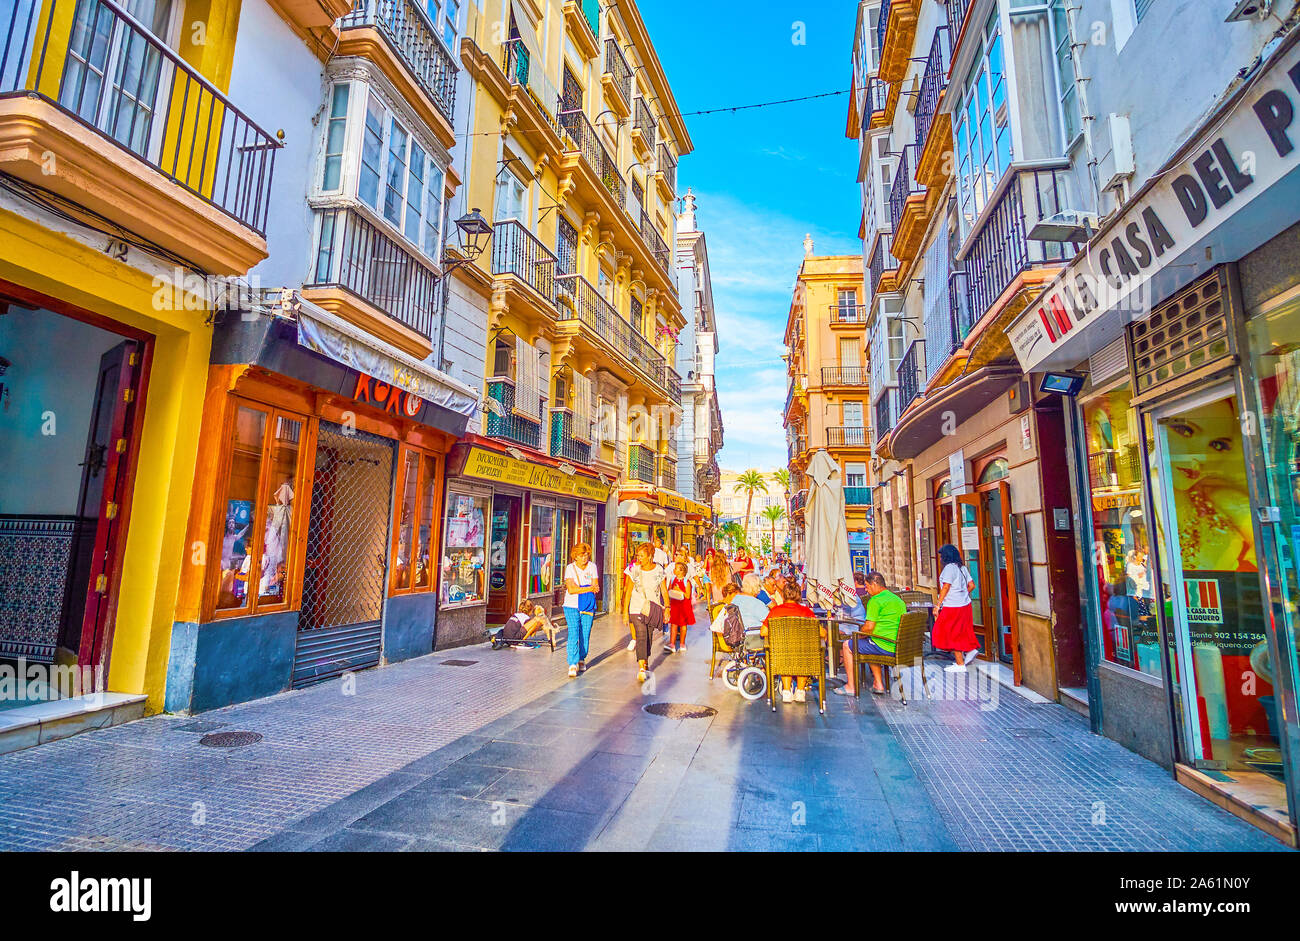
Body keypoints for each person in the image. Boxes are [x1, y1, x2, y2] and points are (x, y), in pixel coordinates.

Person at [835, 572, 905, 696]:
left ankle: (850, 686)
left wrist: (857, 635)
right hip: (898, 646)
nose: (866, 589)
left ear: (874, 584)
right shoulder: (898, 600)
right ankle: (878, 683)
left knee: (847, 645)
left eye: (867, 586)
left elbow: (868, 628)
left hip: (883, 645)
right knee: (868, 644)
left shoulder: (875, 601)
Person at [761, 581, 824, 704]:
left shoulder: (776, 611)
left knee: (785, 654)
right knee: (805, 653)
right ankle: (800, 691)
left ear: (784, 595)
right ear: (799, 596)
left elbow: (763, 632)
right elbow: (822, 633)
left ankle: (786, 691)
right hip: (803, 656)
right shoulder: (806, 612)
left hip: (781, 655)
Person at [932, 544, 980, 673]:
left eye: (942, 556)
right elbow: (972, 585)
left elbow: (946, 587)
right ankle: (970, 650)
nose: (940, 559)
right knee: (961, 630)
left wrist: (938, 605)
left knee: (949, 631)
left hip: (952, 605)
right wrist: (962, 594)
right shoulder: (962, 568)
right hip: (965, 604)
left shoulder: (949, 569)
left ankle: (960, 663)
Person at [625, 543, 668, 683]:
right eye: (638, 555)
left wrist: (667, 607)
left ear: (650, 556)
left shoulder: (659, 570)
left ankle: (645, 661)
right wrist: (625, 612)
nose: (639, 558)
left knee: (648, 637)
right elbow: (628, 591)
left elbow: (663, 590)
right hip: (636, 607)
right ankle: (641, 668)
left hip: (652, 608)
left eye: (642, 555)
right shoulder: (634, 570)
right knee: (641, 635)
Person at [562, 542, 600, 678]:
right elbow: (571, 589)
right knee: (573, 632)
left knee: (585, 632)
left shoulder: (592, 567)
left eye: (586, 555)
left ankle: (581, 658)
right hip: (571, 605)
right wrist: (589, 588)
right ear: (575, 556)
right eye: (581, 555)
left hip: (588, 605)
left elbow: (596, 586)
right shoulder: (569, 568)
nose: (584, 558)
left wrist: (583, 588)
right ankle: (572, 663)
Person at [666, 561, 696, 653]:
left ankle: (682, 643)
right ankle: (672, 644)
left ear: (681, 571)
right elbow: (669, 590)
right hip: (675, 605)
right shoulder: (672, 579)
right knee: (673, 625)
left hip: (684, 606)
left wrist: (679, 590)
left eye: (676, 568)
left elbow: (687, 596)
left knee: (683, 625)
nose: (674, 570)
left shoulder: (687, 582)